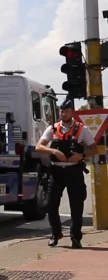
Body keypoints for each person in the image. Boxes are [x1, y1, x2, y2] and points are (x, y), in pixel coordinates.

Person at [35, 97, 98, 248]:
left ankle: (76, 237)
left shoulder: (82, 129)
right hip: (56, 171)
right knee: (51, 204)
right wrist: (54, 151)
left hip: (74, 171)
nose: (63, 114)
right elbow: (39, 147)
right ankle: (56, 233)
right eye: (62, 111)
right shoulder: (53, 128)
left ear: (72, 112)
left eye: (66, 111)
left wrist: (81, 156)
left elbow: (94, 149)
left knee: (76, 205)